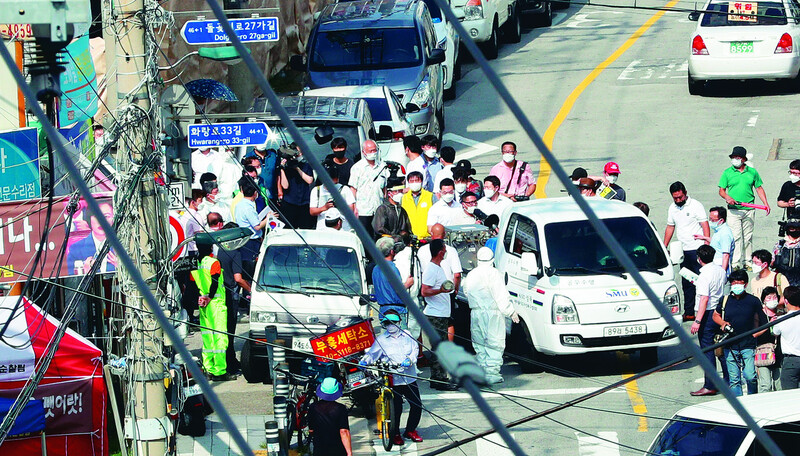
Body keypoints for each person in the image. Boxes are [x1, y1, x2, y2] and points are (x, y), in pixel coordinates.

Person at [360, 310, 424, 445]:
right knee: (396, 408)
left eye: (393, 322)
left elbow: (415, 349)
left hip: (409, 376)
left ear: (399, 322)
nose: (391, 326)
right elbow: (372, 354)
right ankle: (395, 434)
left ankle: (410, 430)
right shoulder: (382, 340)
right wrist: (365, 361)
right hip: (393, 378)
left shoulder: (408, 335)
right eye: (387, 323)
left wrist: (410, 360)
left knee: (417, 405)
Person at [463, 247, 519, 384]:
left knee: (479, 342)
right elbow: (500, 294)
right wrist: (510, 311)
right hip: (492, 312)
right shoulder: (494, 273)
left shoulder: (472, 274)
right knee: (494, 341)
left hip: (475, 312)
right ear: (492, 260)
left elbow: (466, 291)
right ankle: (492, 373)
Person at [713, 269, 768, 397]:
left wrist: (754, 335)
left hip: (747, 345)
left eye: (740, 282)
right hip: (729, 345)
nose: (736, 285)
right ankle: (740, 406)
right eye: (734, 283)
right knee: (734, 380)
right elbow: (715, 315)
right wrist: (723, 323)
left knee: (750, 376)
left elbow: (765, 324)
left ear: (746, 284)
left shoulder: (753, 301)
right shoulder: (725, 300)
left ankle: (753, 398)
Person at [663, 181, 710, 321]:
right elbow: (670, 227)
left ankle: (702, 312)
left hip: (697, 248)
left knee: (700, 281)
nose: (678, 200)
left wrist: (707, 243)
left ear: (685, 193)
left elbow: (704, 224)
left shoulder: (696, 205)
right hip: (683, 251)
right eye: (675, 198)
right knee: (686, 282)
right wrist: (664, 246)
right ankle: (689, 311)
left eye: (680, 197)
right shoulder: (672, 208)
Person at [718, 146, 771, 270]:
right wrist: (727, 197)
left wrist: (765, 203)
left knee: (747, 237)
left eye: (737, 158)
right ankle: (735, 263)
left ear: (743, 159)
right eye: (733, 157)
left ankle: (748, 261)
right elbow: (721, 190)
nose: (734, 160)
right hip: (733, 210)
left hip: (749, 209)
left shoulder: (752, 172)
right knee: (736, 237)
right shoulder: (727, 172)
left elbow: (759, 188)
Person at [210, 219, 252, 373]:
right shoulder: (235, 252)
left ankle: (229, 360)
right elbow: (238, 278)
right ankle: (230, 362)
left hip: (219, 293)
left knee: (223, 330)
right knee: (230, 330)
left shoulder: (219, 250)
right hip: (232, 294)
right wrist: (251, 290)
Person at [191, 240, 236, 381]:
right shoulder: (213, 262)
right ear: (211, 247)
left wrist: (201, 298)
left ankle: (208, 368)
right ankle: (220, 371)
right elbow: (215, 281)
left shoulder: (198, 263)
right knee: (220, 337)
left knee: (208, 337)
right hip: (215, 303)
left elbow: (193, 284)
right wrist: (210, 297)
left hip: (203, 304)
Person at [689, 245, 728, 396]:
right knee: (721, 346)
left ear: (699, 259)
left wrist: (697, 321)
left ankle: (710, 384)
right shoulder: (720, 270)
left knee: (707, 350)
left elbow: (704, 298)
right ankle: (728, 380)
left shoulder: (704, 275)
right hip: (719, 311)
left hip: (707, 313)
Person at [420, 239, 458, 390]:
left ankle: (437, 377)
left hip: (441, 313)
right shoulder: (431, 269)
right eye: (444, 249)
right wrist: (441, 291)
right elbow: (425, 291)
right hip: (435, 314)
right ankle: (439, 378)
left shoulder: (438, 267)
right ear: (441, 251)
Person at [350, 140, 388, 239]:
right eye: (370, 151)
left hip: (378, 209)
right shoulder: (357, 167)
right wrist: (354, 208)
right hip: (363, 210)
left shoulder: (382, 166)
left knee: (379, 237)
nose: (373, 153)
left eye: (374, 150)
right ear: (364, 152)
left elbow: (385, 189)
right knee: (365, 238)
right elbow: (353, 189)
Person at [372, 237, 414, 326]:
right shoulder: (392, 268)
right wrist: (407, 284)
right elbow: (398, 290)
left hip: (383, 311)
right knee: (400, 338)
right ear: (391, 251)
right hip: (396, 311)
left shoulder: (375, 269)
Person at [67, 202, 117, 274]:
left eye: (106, 216)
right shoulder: (75, 249)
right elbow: (70, 282)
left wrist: (122, 268)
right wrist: (84, 274)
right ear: (89, 219)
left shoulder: (123, 246)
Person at [307, 377, 353, 456]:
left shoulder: (312, 407)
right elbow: (344, 432)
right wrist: (349, 453)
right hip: (337, 450)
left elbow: (311, 430)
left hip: (319, 450)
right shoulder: (340, 408)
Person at [309, 165, 356, 231]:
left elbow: (351, 209)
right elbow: (312, 211)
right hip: (323, 228)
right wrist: (324, 208)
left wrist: (340, 205)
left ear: (337, 179)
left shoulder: (345, 189)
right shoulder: (316, 191)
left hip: (343, 229)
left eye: (333, 184)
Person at [279, 144, 315, 229]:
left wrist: (297, 168)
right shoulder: (287, 167)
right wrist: (282, 169)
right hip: (290, 203)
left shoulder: (306, 165)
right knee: (289, 229)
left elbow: (310, 180)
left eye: (300, 152)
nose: (299, 154)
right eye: (297, 153)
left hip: (304, 203)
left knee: (305, 229)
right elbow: (285, 186)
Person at [695, 207, 735, 277]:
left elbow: (726, 255)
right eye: (710, 219)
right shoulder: (719, 230)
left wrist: (722, 272)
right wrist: (704, 238)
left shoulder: (725, 234)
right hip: (715, 265)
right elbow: (717, 243)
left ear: (721, 220)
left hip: (720, 266)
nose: (710, 222)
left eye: (713, 220)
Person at [234, 181, 268, 262]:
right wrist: (268, 218)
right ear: (255, 193)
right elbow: (257, 226)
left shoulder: (239, 204)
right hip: (251, 241)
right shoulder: (248, 208)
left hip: (244, 239)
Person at [757, 286, 783, 392]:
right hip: (764, 352)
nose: (772, 299)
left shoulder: (781, 313)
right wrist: (769, 324)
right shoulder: (759, 314)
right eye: (769, 297)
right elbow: (754, 334)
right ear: (763, 299)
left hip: (779, 353)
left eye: (774, 296)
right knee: (765, 385)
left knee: (780, 385)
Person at [774, 286, 800, 389]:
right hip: (792, 360)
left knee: (790, 395)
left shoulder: (782, 320)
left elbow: (775, 332)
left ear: (785, 300)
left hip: (791, 361)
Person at [401, 171, 434, 238]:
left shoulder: (430, 196)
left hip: (427, 236)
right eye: (412, 181)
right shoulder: (403, 198)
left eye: (416, 180)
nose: (414, 183)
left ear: (421, 181)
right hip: (410, 236)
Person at [773, 219, 800, 286]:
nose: (795, 230)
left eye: (797, 228)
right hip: (783, 280)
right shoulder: (780, 244)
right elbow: (772, 262)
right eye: (792, 228)